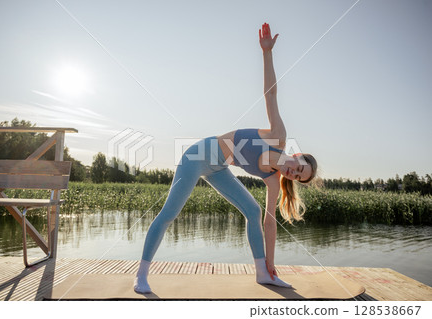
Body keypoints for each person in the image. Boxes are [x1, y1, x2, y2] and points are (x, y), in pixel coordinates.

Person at [134, 22, 318, 294]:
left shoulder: (272, 179)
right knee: (169, 214)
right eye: (300, 168)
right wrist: (267, 53)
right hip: (197, 156)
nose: (295, 174)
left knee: (254, 212)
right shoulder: (278, 136)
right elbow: (271, 94)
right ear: (298, 154)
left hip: (218, 168)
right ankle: (141, 275)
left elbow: (269, 223)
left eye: (300, 178)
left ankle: (262, 274)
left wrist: (271, 264)